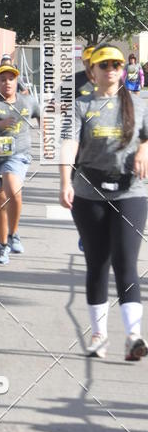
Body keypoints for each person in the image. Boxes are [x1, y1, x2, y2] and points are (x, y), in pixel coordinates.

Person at [60, 44, 148, 361]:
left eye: (116, 64)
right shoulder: (82, 106)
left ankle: (134, 336)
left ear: (123, 70)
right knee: (98, 264)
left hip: (131, 192)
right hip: (90, 191)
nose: (111, 68)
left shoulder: (138, 105)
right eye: (104, 64)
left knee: (126, 263)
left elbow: (147, 136)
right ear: (92, 72)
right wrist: (64, 181)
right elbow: (69, 143)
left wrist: (143, 150)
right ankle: (99, 335)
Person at [0, 61, 40, 265]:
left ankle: (14, 233)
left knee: (13, 189)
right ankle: (3, 245)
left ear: (17, 81)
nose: (7, 82)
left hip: (18, 155)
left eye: (11, 79)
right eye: (3, 79)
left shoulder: (27, 101)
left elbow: (42, 115)